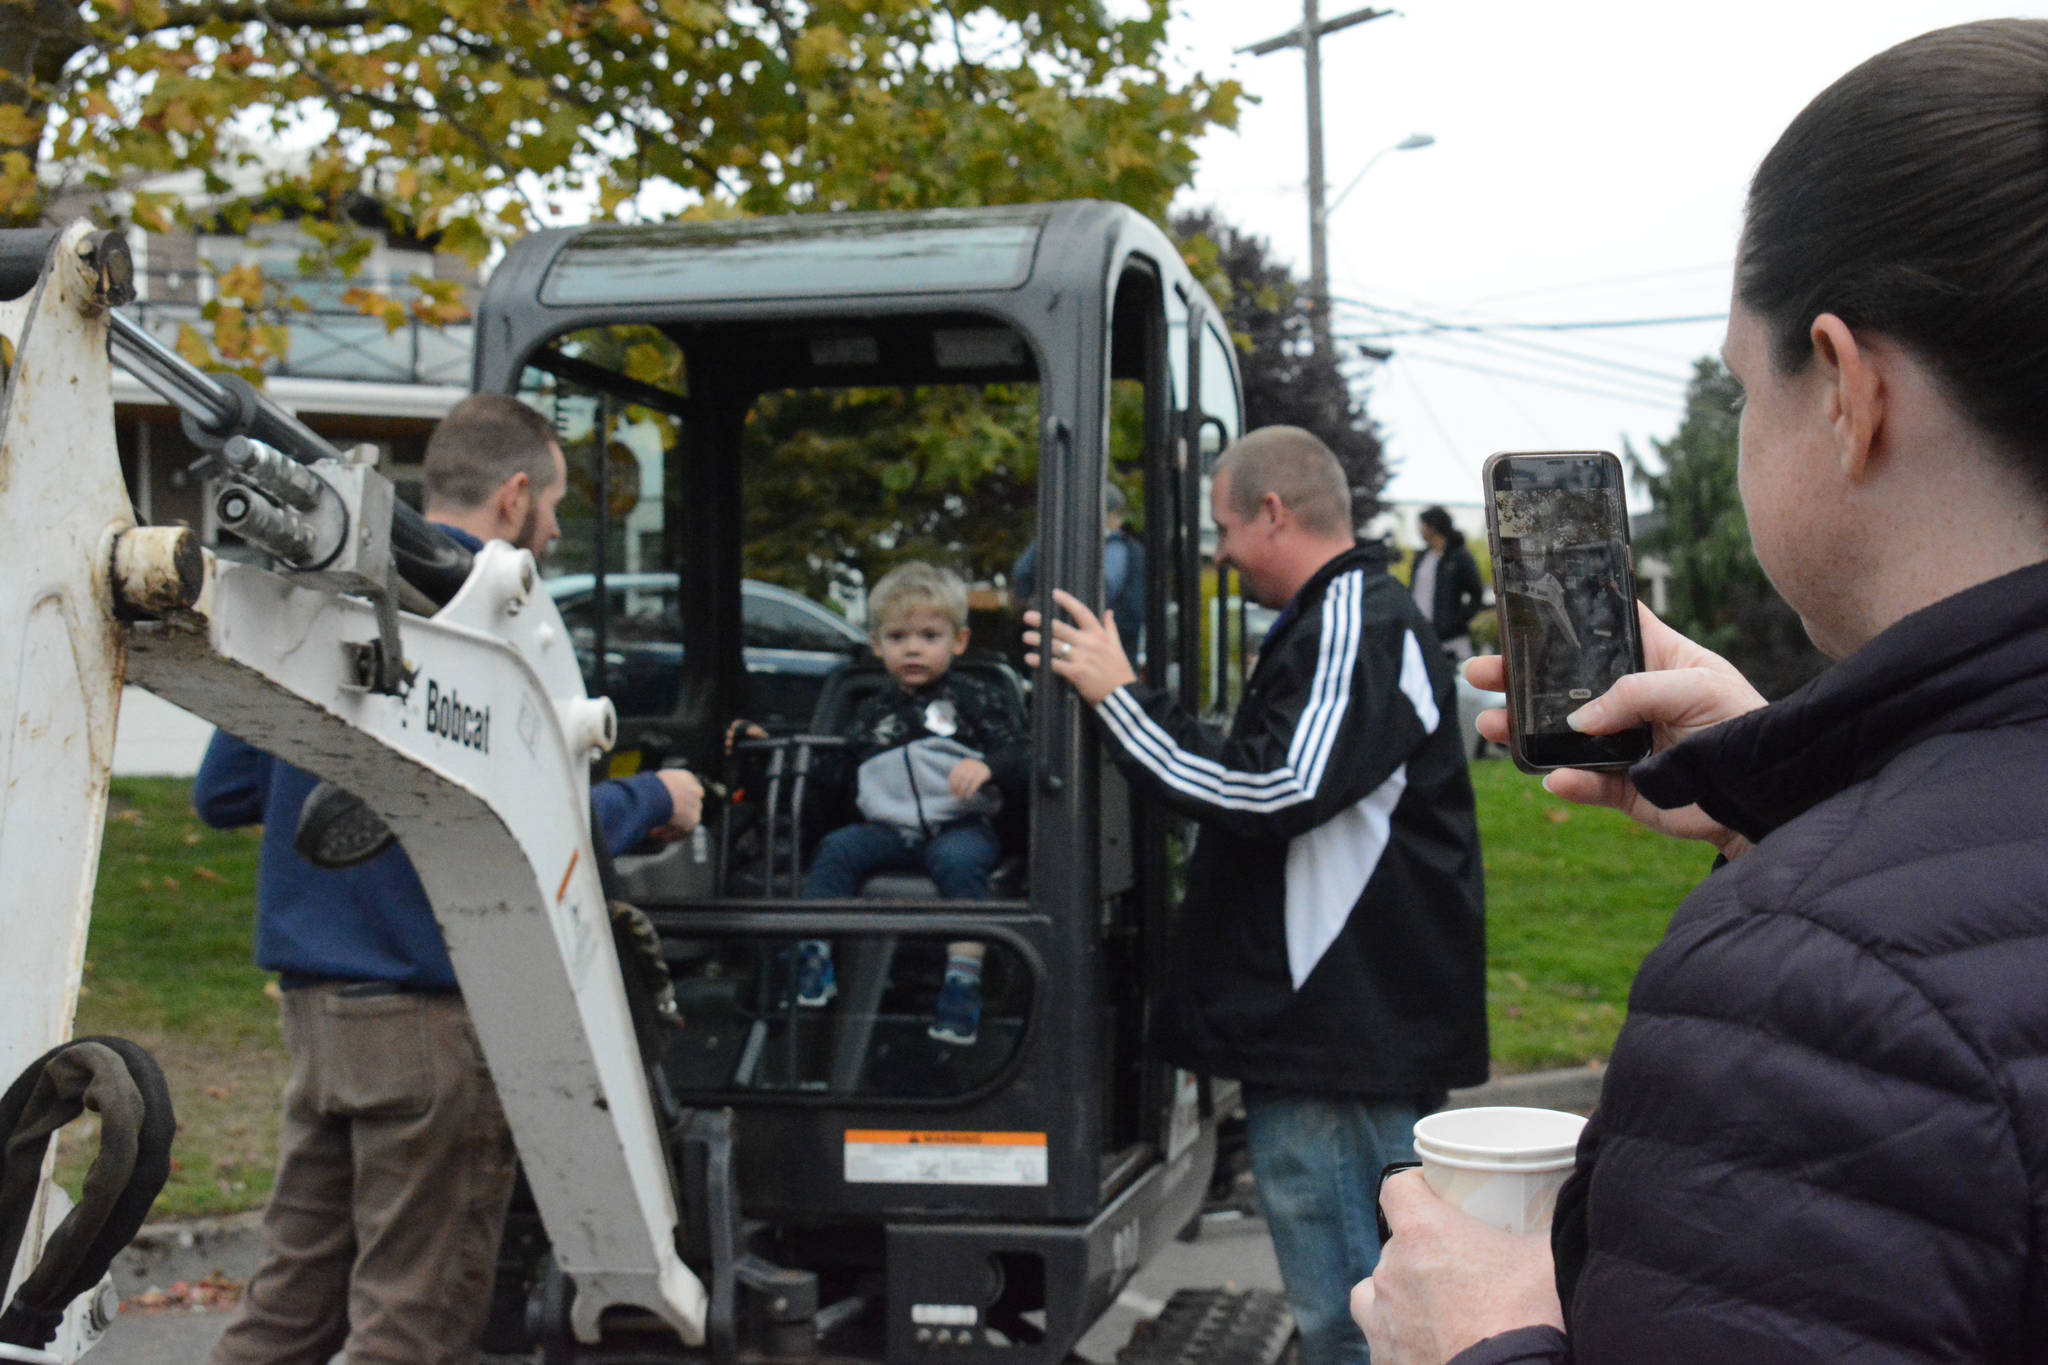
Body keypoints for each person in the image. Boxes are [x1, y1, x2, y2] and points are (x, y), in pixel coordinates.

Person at [1355, 20, 2048, 1364]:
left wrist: (1481, 1343)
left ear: (1848, 390)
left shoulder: (1809, 985)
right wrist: (1793, 789)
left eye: (1743, 382)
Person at [196, 393, 706, 1365]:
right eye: (555, 506)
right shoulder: (487, 619)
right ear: (514, 497)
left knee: (286, 1313)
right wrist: (655, 800)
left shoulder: (325, 588)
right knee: (411, 1325)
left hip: (318, 1020)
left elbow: (224, 792)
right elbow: (532, 818)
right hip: (430, 1029)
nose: (555, 529)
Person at [1025, 426, 1487, 1365]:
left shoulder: (1357, 613)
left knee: (1359, 1315)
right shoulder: (1348, 614)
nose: (1222, 554)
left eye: (1224, 528)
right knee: (1367, 1306)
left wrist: (1121, 703)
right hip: (1340, 1030)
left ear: (1272, 511)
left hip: (1338, 1037)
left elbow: (1275, 785)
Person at [793, 561, 1028, 1046]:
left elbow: (1021, 753)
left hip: (959, 824)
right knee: (837, 850)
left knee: (960, 864)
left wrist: (989, 767)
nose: (913, 648)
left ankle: (962, 982)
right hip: (889, 829)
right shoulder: (872, 712)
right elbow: (838, 774)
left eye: (929, 635)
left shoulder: (977, 701)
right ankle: (814, 954)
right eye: (898, 637)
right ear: (878, 647)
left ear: (958, 642)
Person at [1013, 481, 1146, 657]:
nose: (1119, 521)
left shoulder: (1049, 539)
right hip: (1105, 649)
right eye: (1116, 514)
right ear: (1107, 515)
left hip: (1054, 638)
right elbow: (1116, 595)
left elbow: (1022, 572)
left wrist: (1038, 605)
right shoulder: (1121, 548)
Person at [1410, 506, 1485, 664]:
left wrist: (1459, 619)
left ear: (1433, 526)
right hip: (1422, 634)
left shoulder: (1459, 557)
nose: (1420, 530)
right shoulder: (1422, 557)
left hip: (1451, 639)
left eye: (1423, 524)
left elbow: (1476, 592)